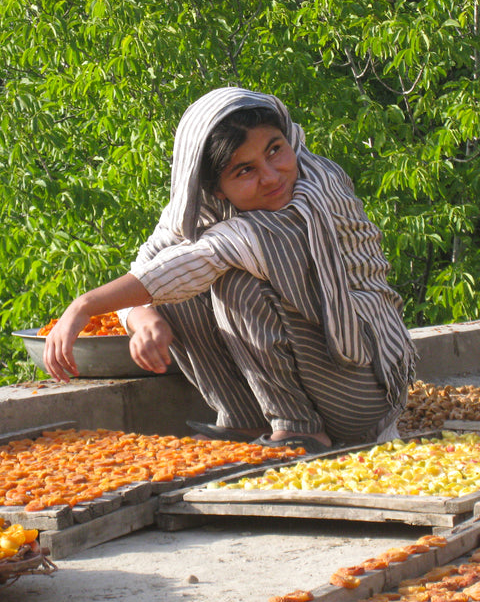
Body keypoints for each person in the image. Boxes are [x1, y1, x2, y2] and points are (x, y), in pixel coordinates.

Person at [43, 87, 416, 453]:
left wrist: (86, 305)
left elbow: (201, 259)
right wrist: (142, 317)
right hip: (317, 376)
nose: (271, 176)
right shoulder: (199, 205)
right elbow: (148, 267)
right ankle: (244, 420)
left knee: (232, 281)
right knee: (170, 298)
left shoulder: (314, 192)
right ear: (215, 189)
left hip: (364, 385)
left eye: (275, 150)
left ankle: (299, 430)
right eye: (245, 170)